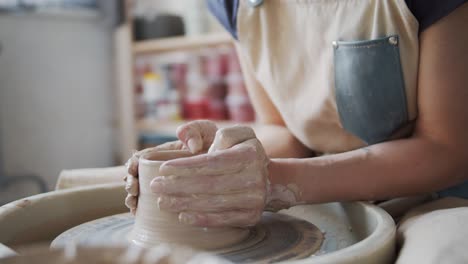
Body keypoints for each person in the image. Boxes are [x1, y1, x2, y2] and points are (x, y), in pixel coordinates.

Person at [125, 0, 468, 262]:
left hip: (432, 197)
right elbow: (281, 131)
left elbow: (446, 149)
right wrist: (220, 157)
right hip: (322, 197)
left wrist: (276, 182)